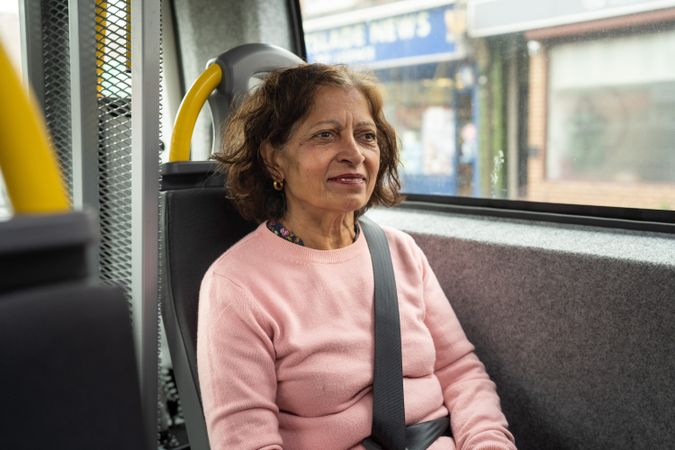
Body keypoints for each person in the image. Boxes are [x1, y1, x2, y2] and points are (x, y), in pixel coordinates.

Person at [197, 63, 516, 450]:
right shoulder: (235, 285)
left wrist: (488, 444)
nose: (354, 153)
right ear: (273, 159)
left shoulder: (400, 252)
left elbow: (460, 373)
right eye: (326, 135)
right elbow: (246, 442)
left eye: (366, 136)